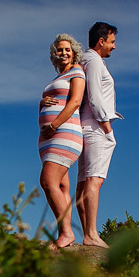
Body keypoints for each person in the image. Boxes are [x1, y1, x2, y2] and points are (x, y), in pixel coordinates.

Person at [58, 21, 121, 248]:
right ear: (101, 41)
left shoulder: (85, 60)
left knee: (84, 182)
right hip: (95, 126)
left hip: (87, 125)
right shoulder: (93, 61)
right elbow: (95, 97)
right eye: (112, 42)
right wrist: (106, 127)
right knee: (94, 180)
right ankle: (91, 234)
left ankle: (88, 233)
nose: (114, 46)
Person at [37, 34, 86, 248]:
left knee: (48, 182)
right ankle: (63, 233)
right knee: (62, 185)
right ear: (54, 54)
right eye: (59, 49)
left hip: (64, 133)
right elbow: (50, 103)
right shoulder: (58, 77)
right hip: (48, 137)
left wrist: (54, 125)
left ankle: (66, 233)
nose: (63, 53)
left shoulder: (77, 72)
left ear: (74, 52)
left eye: (67, 49)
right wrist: (42, 104)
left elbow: (75, 102)